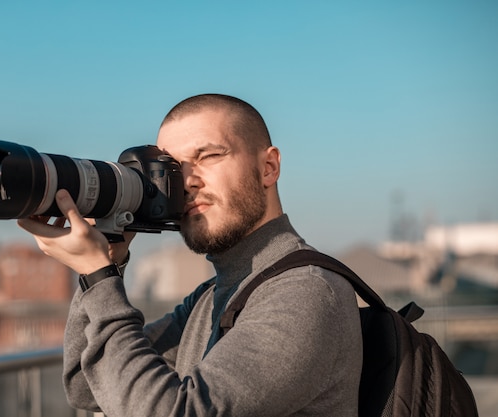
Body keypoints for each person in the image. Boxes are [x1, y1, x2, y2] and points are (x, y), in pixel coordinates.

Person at [18, 94, 362, 416]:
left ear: (269, 167)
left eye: (209, 156)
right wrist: (109, 260)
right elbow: (87, 385)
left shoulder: (307, 291)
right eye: (172, 168)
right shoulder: (212, 296)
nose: (186, 182)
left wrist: (98, 274)